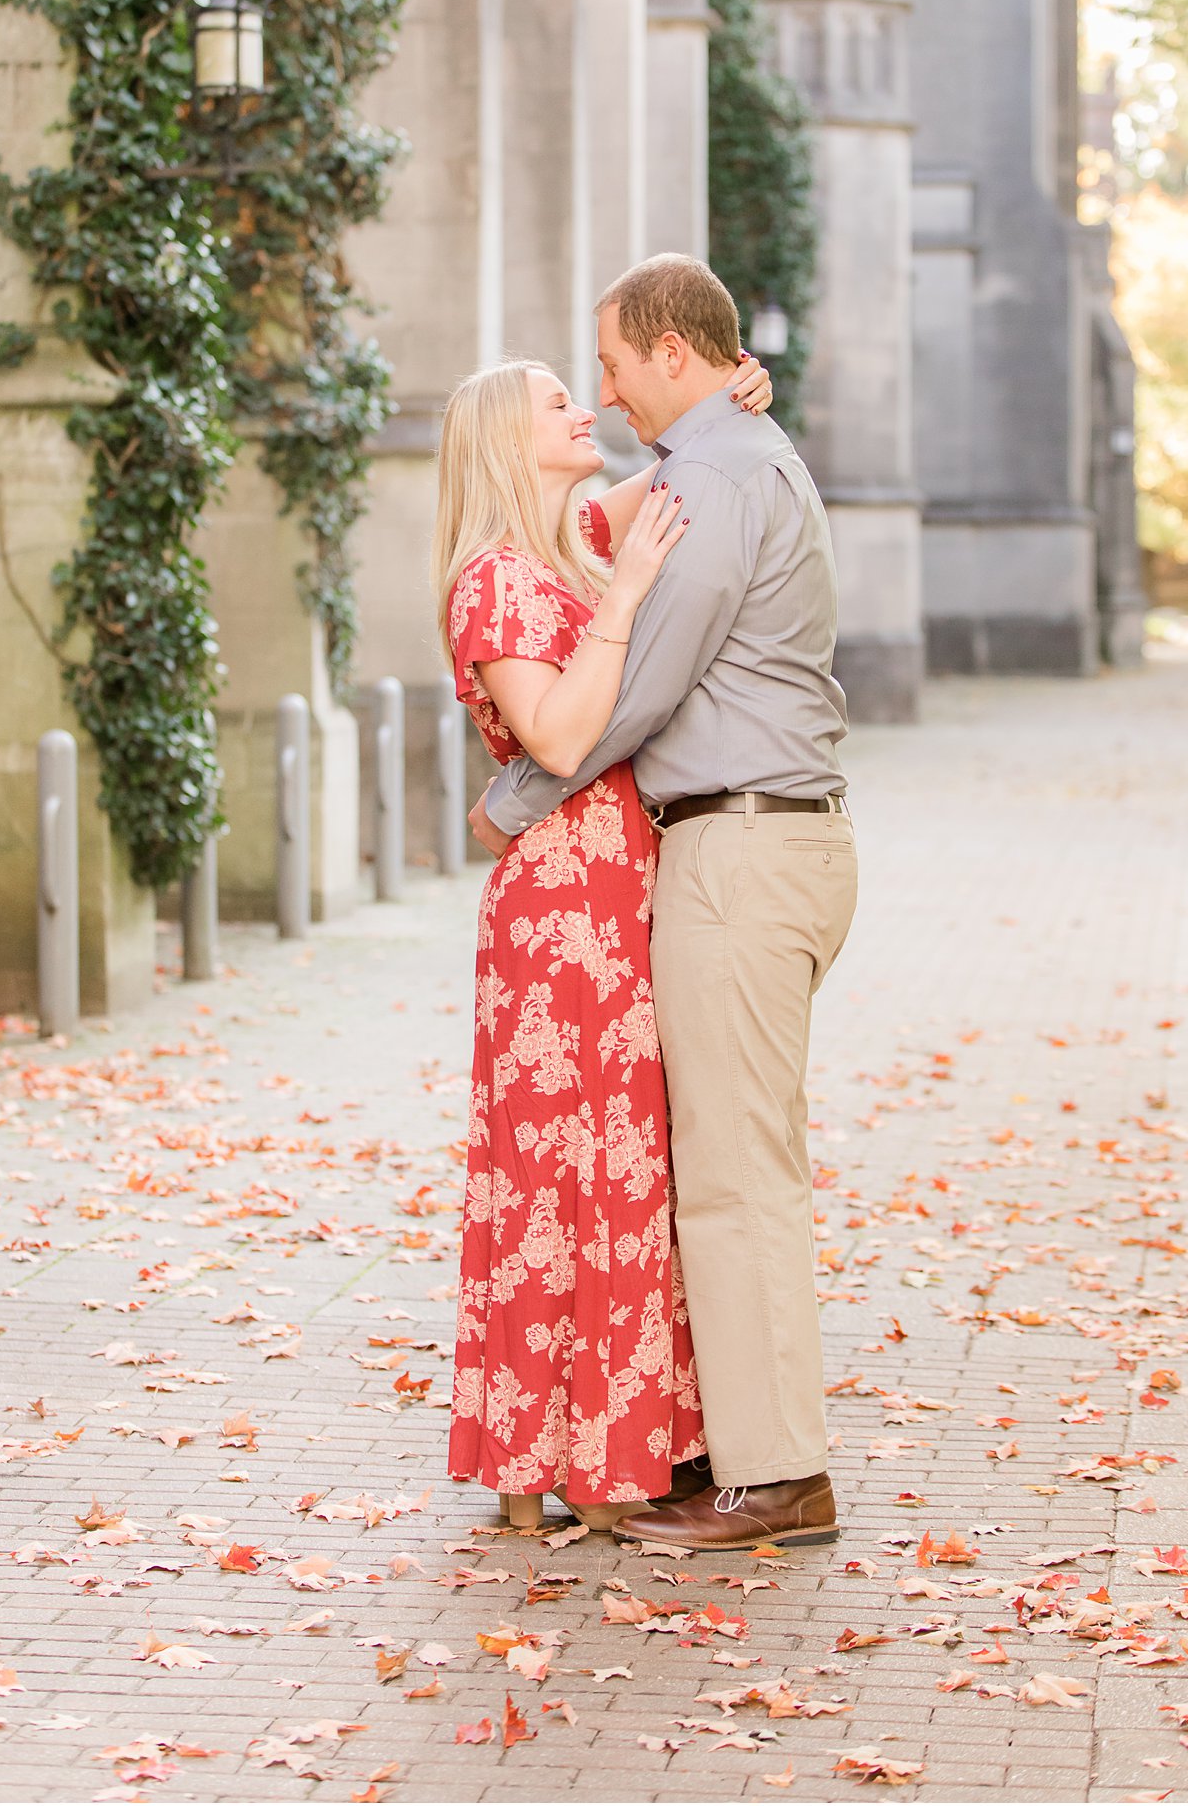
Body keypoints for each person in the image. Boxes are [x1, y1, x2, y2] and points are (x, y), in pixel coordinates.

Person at [470, 253, 857, 1551]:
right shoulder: (728, 459)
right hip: (752, 847)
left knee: (734, 1178)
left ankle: (776, 1475)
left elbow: (640, 685)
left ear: (670, 356)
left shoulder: (714, 477)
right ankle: (726, 1453)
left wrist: (517, 798)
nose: (605, 389)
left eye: (615, 363)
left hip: (743, 852)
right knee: (719, 1167)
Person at [434, 347, 775, 1531]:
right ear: (502, 439)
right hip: (558, 911)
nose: (587, 408)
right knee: (555, 1182)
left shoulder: (568, 537)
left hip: (621, 891)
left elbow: (679, 460)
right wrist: (623, 597)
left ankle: (610, 1451)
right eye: (557, 402)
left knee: (623, 1169)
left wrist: (737, 391)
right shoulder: (493, 583)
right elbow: (564, 739)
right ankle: (544, 1464)